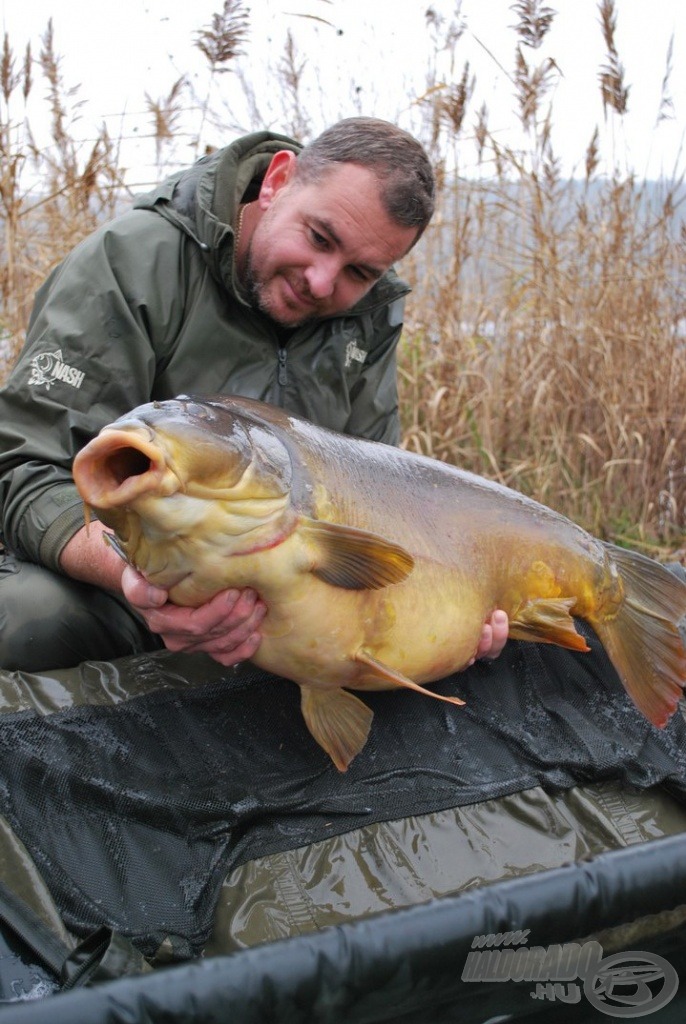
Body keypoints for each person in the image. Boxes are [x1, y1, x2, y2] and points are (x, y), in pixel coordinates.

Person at [0, 116, 508, 672]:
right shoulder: (132, 263)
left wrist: (447, 618)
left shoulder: (371, 311)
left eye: (358, 271)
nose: (321, 281)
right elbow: (25, 469)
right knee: (25, 618)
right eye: (319, 238)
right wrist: (142, 580)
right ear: (277, 182)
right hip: (125, 583)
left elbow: (379, 496)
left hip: (283, 602)